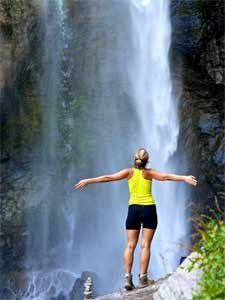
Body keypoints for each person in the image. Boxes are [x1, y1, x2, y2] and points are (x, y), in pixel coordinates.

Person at [74, 148, 197, 291]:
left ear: (135, 159)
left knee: (130, 245)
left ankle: (127, 277)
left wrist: (88, 180)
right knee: (145, 246)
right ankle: (143, 278)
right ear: (147, 160)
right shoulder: (149, 173)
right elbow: (165, 177)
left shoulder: (129, 172)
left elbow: (108, 178)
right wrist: (184, 178)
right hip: (149, 209)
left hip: (133, 210)